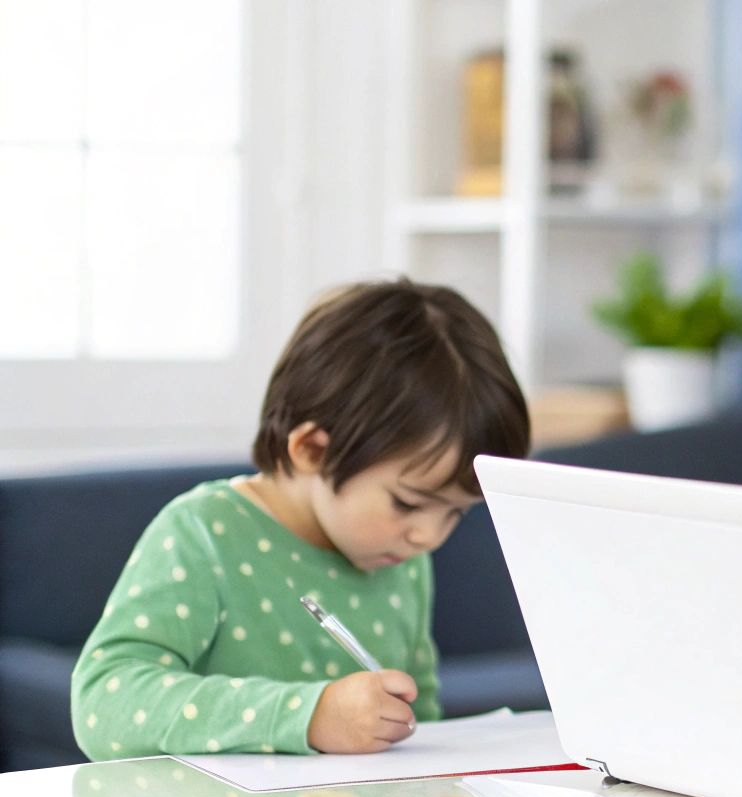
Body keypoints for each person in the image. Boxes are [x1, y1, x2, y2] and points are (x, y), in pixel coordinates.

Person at [71, 279, 530, 759]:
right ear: (311, 449)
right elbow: (104, 703)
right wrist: (305, 716)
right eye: (408, 503)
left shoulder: (400, 555)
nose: (430, 535)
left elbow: (421, 723)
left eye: (456, 512)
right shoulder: (205, 532)